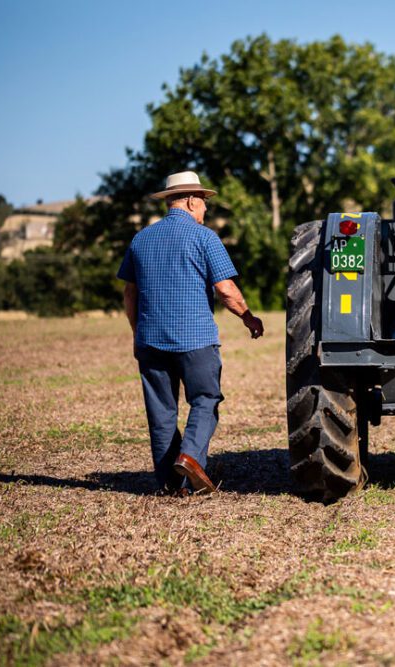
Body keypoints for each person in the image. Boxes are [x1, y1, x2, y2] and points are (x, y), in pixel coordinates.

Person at [117, 171, 264, 496]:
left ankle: (172, 486)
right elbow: (225, 289)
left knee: (161, 413)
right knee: (205, 399)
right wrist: (248, 317)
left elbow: (130, 294)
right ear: (191, 201)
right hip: (195, 340)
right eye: (204, 204)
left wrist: (137, 332)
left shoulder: (141, 239)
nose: (205, 211)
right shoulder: (204, 238)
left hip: (150, 341)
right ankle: (191, 458)